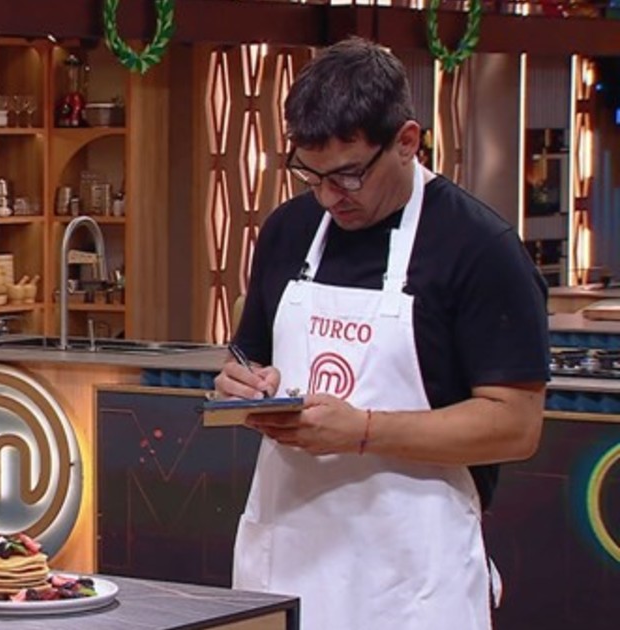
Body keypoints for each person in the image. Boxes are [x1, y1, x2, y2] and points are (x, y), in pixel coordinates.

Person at [214, 37, 549, 630]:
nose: (328, 197)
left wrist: (364, 431)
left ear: (407, 141)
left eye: (348, 175)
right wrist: (241, 386)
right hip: (288, 556)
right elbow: (249, 357)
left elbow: (515, 425)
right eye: (310, 174)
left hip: (413, 577)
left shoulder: (479, 247)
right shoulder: (289, 230)